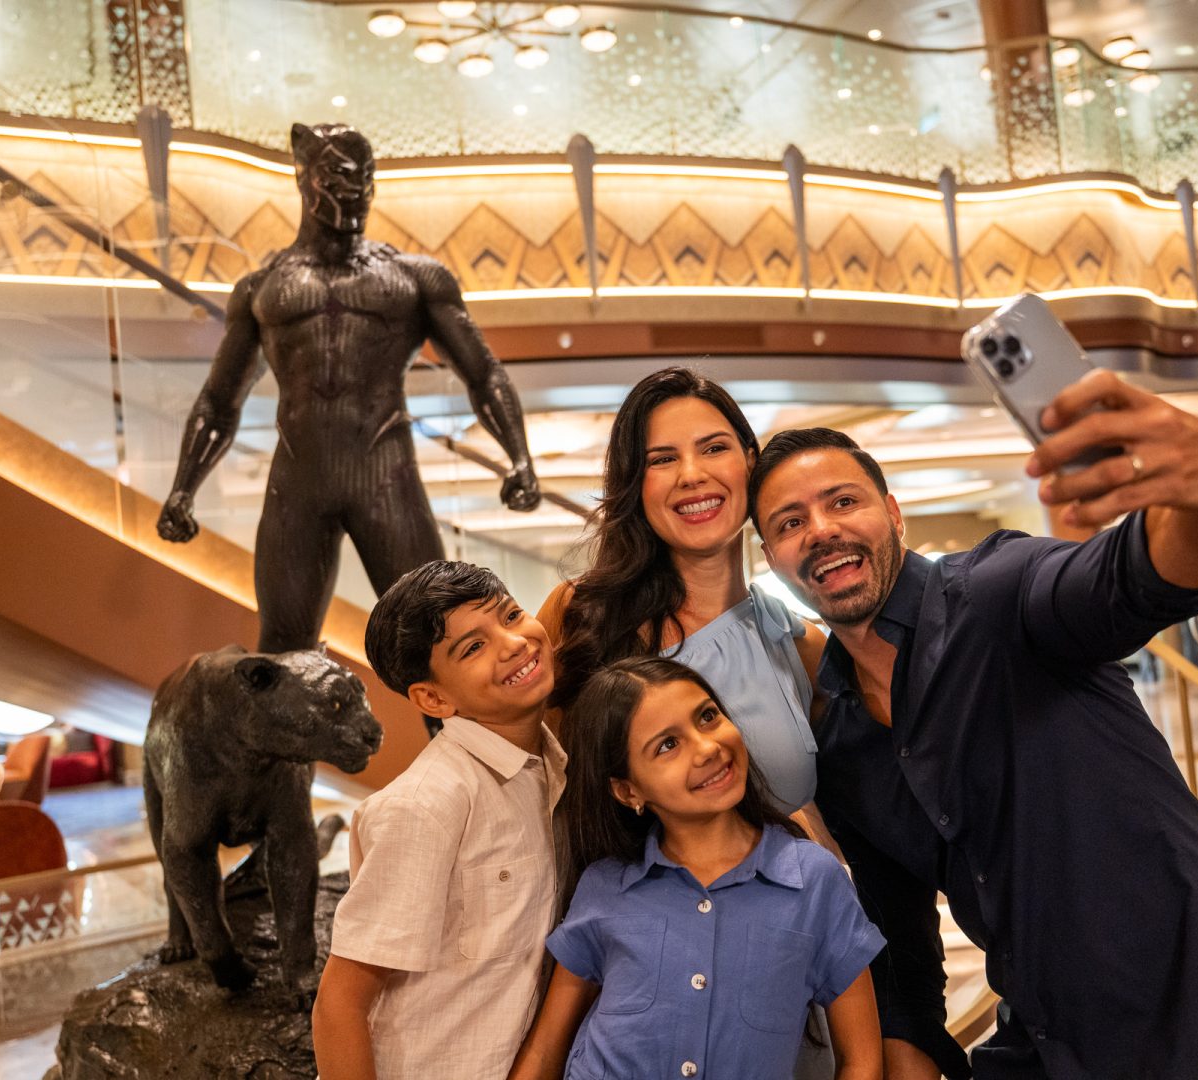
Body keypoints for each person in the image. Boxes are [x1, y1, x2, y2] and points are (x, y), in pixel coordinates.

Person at [749, 369, 1198, 1080]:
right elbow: (902, 949)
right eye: (790, 523)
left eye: (843, 501)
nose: (822, 529)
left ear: (894, 515)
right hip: (1053, 1041)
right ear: (772, 560)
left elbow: (1131, 580)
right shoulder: (840, 743)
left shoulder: (996, 592)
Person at [537, 366, 860, 1077]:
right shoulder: (581, 617)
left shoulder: (803, 645)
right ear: (634, 483)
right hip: (623, 996)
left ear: (749, 462)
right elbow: (533, 799)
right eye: (661, 459)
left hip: (770, 993)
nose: (692, 476)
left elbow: (829, 826)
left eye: (713, 448)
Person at [156, 123, 541, 655]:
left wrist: (520, 456)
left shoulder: (413, 278)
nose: (356, 190)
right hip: (298, 483)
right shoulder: (262, 290)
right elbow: (219, 402)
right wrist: (184, 487)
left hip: (387, 477)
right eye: (339, 175)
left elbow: (484, 373)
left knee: (437, 647)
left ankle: (465, 741)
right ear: (303, 176)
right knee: (285, 650)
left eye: (366, 177)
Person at [508, 657, 885, 1080]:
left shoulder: (815, 879)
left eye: (707, 717)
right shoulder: (605, 885)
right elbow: (543, 1054)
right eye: (667, 745)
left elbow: (862, 1061)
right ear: (628, 790)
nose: (707, 748)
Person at [313, 561, 565, 1080]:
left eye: (512, 614)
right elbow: (340, 1001)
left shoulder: (554, 764)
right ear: (433, 698)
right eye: (473, 647)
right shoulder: (426, 805)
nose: (514, 642)